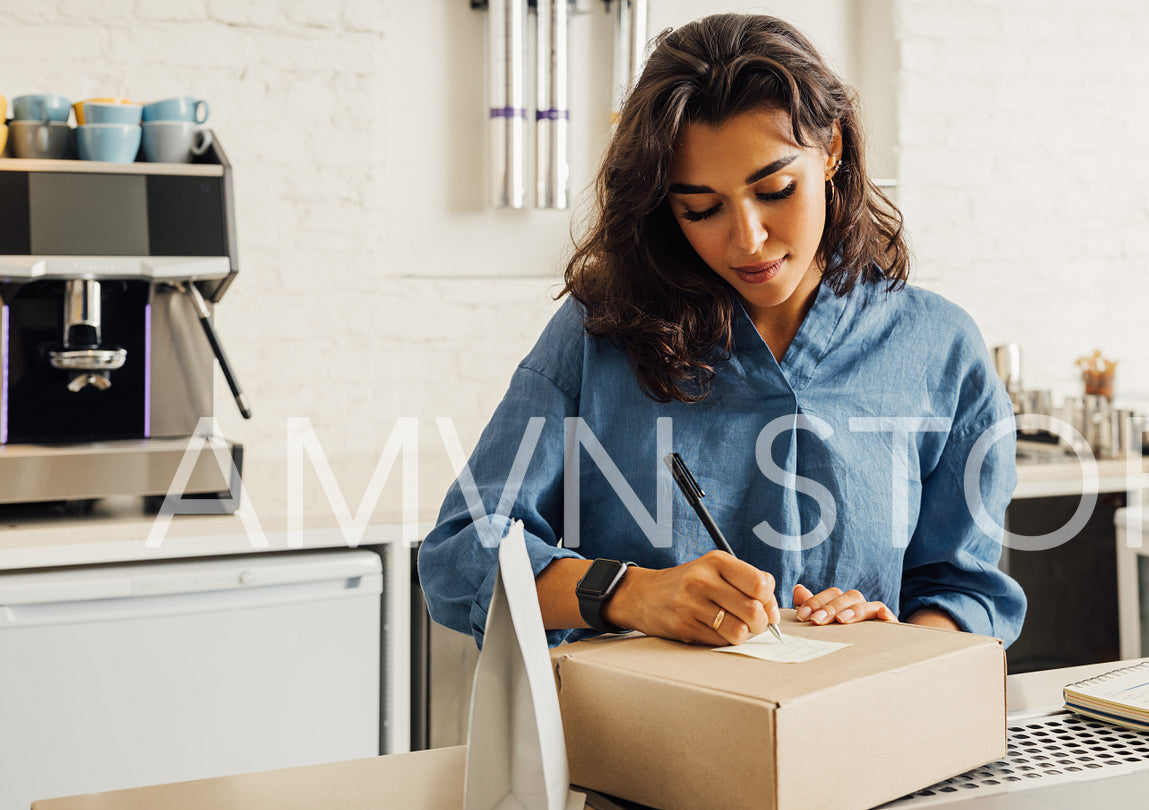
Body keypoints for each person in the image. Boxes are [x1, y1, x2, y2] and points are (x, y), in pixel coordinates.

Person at [420, 12, 1025, 649]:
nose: (748, 240)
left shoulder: (941, 348)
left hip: (859, 738)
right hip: (644, 739)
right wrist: (630, 593)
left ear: (833, 150)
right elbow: (461, 554)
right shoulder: (597, 334)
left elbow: (965, 591)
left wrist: (897, 643)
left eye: (777, 189)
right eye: (701, 209)